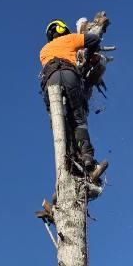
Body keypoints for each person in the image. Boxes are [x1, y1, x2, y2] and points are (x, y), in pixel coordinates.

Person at [39, 16, 108, 173]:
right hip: (70, 75)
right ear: (62, 29)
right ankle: (86, 156)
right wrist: (89, 55)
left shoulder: (43, 51)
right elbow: (94, 39)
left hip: (51, 82)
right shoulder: (70, 39)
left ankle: (68, 159)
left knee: (61, 123)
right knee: (78, 119)